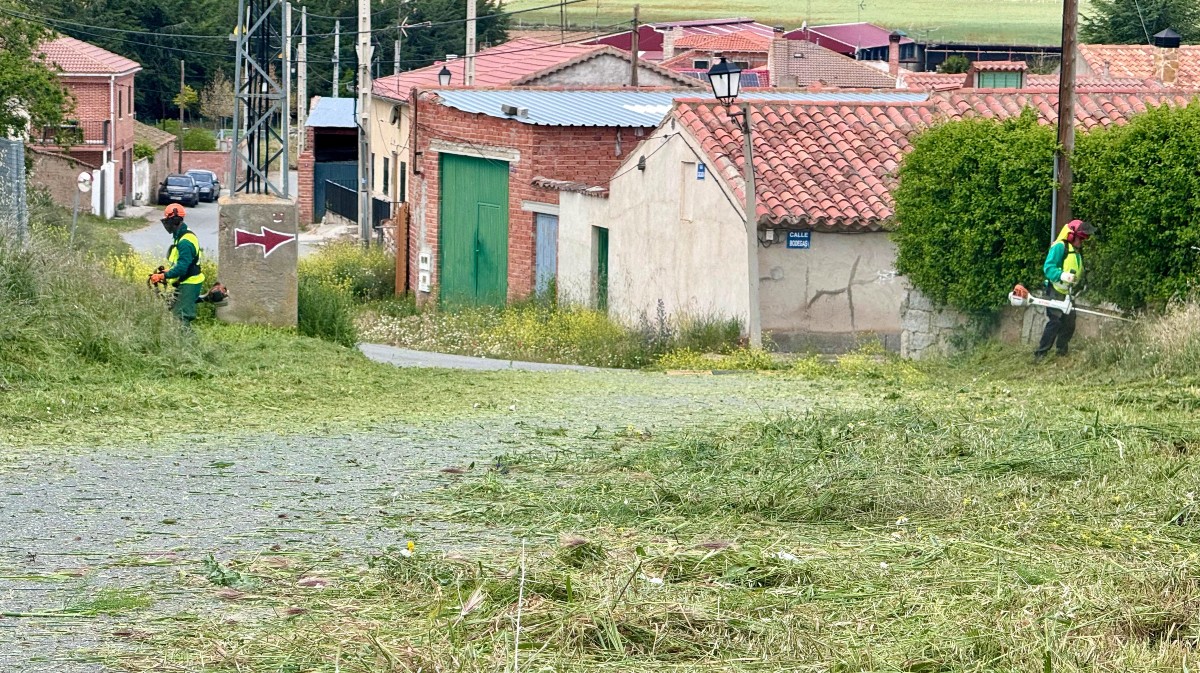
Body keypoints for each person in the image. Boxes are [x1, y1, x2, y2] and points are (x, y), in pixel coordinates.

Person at [1034, 218, 1094, 360]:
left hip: (1068, 292)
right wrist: (1062, 275)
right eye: (1080, 239)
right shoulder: (1060, 247)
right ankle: (1041, 353)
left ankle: (1062, 351)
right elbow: (1048, 268)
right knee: (1055, 321)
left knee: (1069, 322)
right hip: (1055, 289)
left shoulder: (1075, 250)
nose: (1081, 242)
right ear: (1071, 235)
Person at [149, 204, 205, 324]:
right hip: (187, 280)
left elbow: (182, 268)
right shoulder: (182, 236)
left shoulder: (185, 242)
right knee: (177, 315)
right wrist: (168, 272)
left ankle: (187, 342)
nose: (166, 224)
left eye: (167, 221)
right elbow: (183, 264)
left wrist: (162, 276)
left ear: (175, 220)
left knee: (181, 318)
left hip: (190, 282)